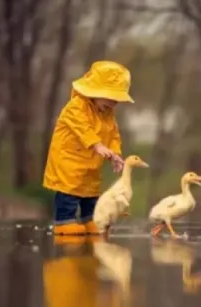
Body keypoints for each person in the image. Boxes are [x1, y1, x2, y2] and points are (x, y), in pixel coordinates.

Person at [43, 60, 133, 235]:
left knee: (90, 194)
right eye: (111, 97)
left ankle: (90, 219)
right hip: (69, 159)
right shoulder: (76, 106)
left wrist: (115, 153)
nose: (114, 103)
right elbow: (81, 128)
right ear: (95, 91)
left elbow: (113, 134)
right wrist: (97, 144)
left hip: (91, 163)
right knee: (69, 192)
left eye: (118, 99)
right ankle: (64, 222)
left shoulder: (107, 113)